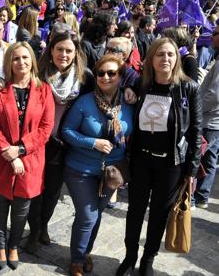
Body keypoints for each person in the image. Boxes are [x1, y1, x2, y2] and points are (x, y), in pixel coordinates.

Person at [117, 38, 202, 276]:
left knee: (158, 215)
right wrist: (127, 89)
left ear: (177, 59)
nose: (165, 59)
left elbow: (196, 130)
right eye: (160, 54)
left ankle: (147, 260)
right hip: (141, 161)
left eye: (170, 55)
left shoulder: (189, 88)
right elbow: (118, 70)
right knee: (135, 212)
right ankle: (130, 256)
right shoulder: (142, 85)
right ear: (151, 59)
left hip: (171, 164)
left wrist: (192, 171)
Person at [61, 54, 134, 276]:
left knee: (97, 214)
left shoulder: (130, 103)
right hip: (80, 169)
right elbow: (66, 131)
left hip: (111, 173)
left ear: (121, 77)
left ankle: (85, 253)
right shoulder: (85, 102)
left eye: (112, 73)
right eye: (101, 73)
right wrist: (92, 143)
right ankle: (76, 260)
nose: (105, 77)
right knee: (88, 215)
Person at [0, 41, 54, 270]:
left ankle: (14, 244)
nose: (21, 62)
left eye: (25, 57)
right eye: (16, 58)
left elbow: (46, 127)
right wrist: (10, 154)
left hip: (30, 159)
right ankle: (0, 244)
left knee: (22, 206)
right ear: (9, 62)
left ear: (32, 60)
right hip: (2, 157)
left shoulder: (43, 90)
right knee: (0, 202)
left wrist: (21, 149)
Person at [23, 30, 94, 254]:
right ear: (51, 50)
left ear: (76, 53)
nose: (64, 54)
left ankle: (43, 225)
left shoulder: (85, 78)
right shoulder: (38, 74)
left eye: (69, 50)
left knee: (53, 190)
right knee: (34, 188)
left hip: (63, 144)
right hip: (37, 140)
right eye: (59, 49)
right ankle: (33, 230)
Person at [194, 24, 219, 209]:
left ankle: (193, 197)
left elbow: (214, 95)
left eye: (215, 33)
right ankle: (202, 196)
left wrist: (198, 110)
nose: (211, 37)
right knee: (210, 158)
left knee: (198, 157)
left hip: (210, 121)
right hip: (214, 121)